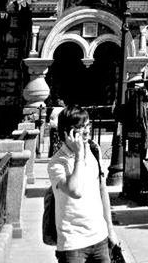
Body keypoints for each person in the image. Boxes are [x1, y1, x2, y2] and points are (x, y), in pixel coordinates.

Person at [47, 105, 118, 263]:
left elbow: (102, 190)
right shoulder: (57, 163)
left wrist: (110, 230)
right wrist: (79, 155)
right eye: (79, 127)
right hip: (73, 243)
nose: (86, 131)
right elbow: (75, 191)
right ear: (67, 132)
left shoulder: (93, 150)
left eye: (87, 125)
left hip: (100, 237)